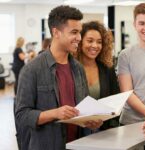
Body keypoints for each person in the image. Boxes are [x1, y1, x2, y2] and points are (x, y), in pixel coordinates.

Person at [15, 5, 102, 150]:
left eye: (80, 32)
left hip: (78, 144)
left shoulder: (78, 68)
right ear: (56, 32)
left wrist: (91, 120)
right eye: (74, 32)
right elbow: (22, 116)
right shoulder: (31, 70)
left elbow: (84, 107)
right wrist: (55, 113)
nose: (79, 38)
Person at [76, 21, 120, 133]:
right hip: (75, 130)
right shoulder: (70, 68)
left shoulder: (107, 69)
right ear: (80, 42)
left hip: (102, 130)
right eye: (90, 41)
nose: (95, 46)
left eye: (99, 42)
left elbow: (115, 99)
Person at [117, 3, 145, 150]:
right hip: (131, 124)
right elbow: (127, 92)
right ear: (135, 25)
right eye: (141, 23)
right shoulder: (125, 55)